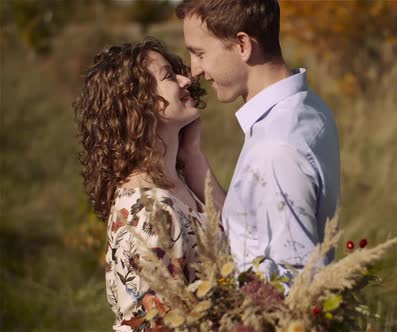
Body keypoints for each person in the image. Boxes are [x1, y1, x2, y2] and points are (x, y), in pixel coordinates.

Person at [175, 0, 341, 283]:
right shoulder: (302, 108)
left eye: (200, 53)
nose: (194, 70)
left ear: (242, 45)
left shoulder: (276, 147)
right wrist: (192, 157)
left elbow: (290, 287)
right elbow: (251, 231)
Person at [73, 38, 207, 331]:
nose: (187, 80)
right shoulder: (147, 212)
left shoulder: (175, 183)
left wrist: (193, 152)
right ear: (139, 102)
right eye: (169, 76)